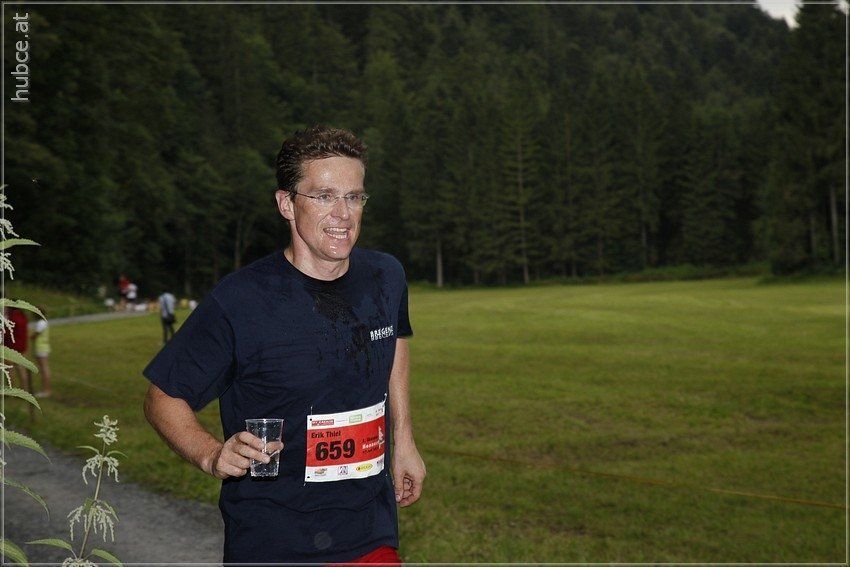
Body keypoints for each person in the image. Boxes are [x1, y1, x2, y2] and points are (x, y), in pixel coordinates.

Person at [143, 125, 426, 565]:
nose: (344, 213)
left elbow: (395, 342)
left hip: (370, 530)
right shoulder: (240, 300)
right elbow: (163, 396)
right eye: (325, 196)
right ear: (287, 204)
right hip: (273, 540)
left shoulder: (385, 277)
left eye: (354, 197)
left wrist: (403, 440)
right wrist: (211, 455)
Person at [2, 307, 31, 390]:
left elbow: (6, 334)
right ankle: (25, 389)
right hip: (22, 348)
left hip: (11, 347)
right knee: (21, 370)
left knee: (10, 371)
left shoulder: (11, 318)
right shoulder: (23, 317)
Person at [30, 307, 52, 398]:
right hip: (42, 347)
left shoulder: (40, 323)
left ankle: (46, 390)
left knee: (44, 369)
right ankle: (46, 389)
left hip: (41, 348)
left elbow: (35, 335)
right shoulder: (43, 322)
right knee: (44, 369)